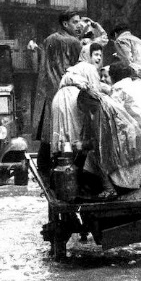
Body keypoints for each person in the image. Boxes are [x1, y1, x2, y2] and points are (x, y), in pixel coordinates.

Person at [33, 10, 83, 171]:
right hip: (67, 91)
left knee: (49, 132)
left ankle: (45, 166)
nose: (79, 25)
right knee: (68, 130)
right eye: (75, 22)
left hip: (48, 91)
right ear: (65, 23)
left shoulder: (49, 39)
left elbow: (40, 65)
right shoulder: (74, 43)